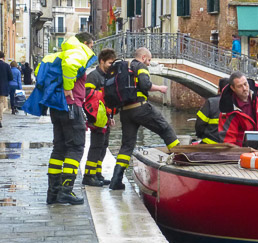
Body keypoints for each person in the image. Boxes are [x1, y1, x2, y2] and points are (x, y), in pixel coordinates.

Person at [24, 32, 97, 205]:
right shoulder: (77, 51)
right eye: (91, 46)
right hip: (71, 105)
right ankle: (66, 190)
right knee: (76, 147)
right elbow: (71, 65)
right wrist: (68, 87)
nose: (91, 50)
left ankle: (53, 193)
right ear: (86, 43)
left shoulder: (56, 55)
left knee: (59, 148)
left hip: (57, 108)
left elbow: (38, 70)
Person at [109, 47, 180, 190]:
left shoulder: (125, 68)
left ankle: (116, 180)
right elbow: (145, 84)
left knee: (127, 145)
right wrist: (160, 88)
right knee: (165, 129)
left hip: (125, 112)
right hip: (140, 107)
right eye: (148, 60)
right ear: (143, 57)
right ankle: (181, 160)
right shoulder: (140, 66)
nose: (148, 63)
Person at [82, 48, 116, 187]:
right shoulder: (94, 76)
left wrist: (111, 115)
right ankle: (89, 176)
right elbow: (88, 95)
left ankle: (97, 173)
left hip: (105, 117)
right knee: (96, 146)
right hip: (97, 118)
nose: (111, 66)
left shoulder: (108, 76)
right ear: (101, 61)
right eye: (109, 63)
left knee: (103, 146)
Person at [218, 71, 258, 147]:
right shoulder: (228, 108)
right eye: (240, 86)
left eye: (245, 84)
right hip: (242, 147)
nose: (244, 88)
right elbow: (228, 138)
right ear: (233, 88)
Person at [195, 78, 229, 144]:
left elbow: (199, 125)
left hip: (209, 144)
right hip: (229, 145)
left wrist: (201, 135)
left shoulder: (211, 102)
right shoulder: (237, 104)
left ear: (219, 89)